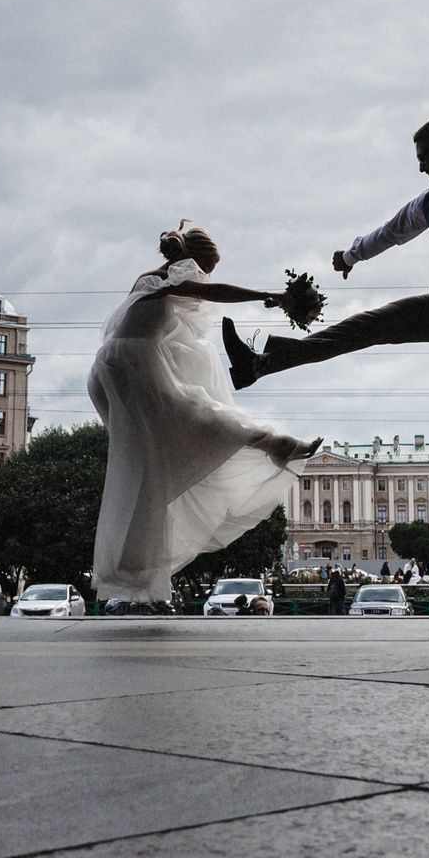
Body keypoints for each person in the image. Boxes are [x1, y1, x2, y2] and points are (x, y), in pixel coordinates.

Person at [224, 117, 429, 461]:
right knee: (365, 327)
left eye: (425, 158)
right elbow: (392, 231)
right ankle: (259, 364)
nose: (422, 168)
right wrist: (351, 256)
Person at [88, 223, 323, 612]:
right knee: (201, 416)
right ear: (195, 261)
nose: (208, 275)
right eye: (208, 266)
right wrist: (271, 296)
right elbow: (210, 291)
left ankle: (147, 589)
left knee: (150, 476)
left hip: (112, 370)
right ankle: (273, 442)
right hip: (132, 367)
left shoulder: (149, 279)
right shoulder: (178, 277)